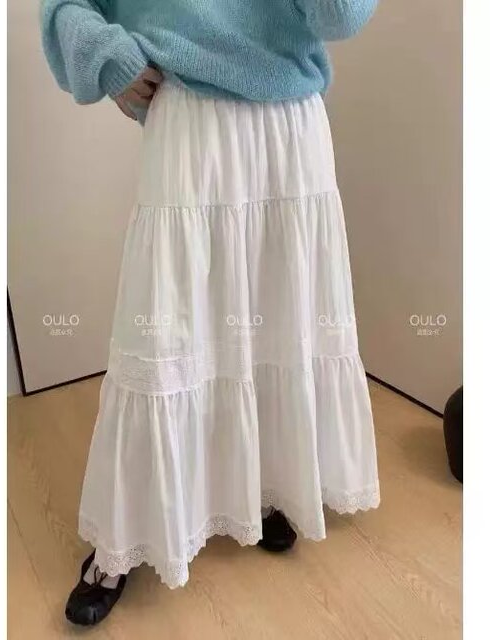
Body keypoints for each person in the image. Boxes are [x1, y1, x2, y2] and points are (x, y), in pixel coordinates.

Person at [40, 0, 381, 626]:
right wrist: (107, 55)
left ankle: (269, 484)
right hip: (189, 111)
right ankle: (125, 536)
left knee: (279, 318)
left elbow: (342, 15)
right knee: (165, 325)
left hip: (290, 121)